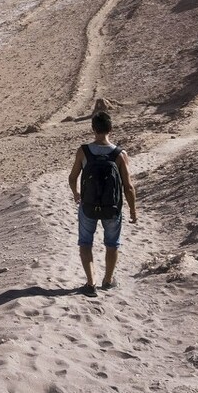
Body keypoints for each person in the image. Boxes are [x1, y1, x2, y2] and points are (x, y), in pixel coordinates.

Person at [68, 111, 137, 296]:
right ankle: (107, 281)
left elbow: (73, 177)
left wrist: (76, 194)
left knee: (85, 243)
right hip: (112, 208)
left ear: (93, 129)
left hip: (88, 207)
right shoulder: (120, 154)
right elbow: (128, 187)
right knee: (112, 243)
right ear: (111, 128)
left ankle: (90, 284)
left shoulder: (84, 151)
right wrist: (133, 210)